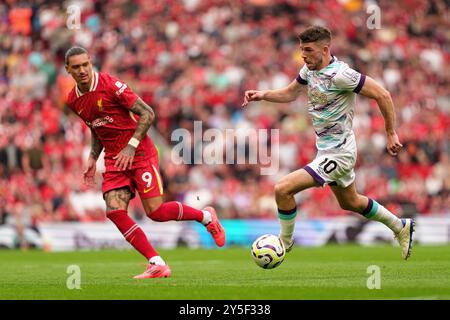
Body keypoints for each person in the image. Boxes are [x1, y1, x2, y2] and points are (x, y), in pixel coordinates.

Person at [242, 26, 414, 260]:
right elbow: (290, 93)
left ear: (325, 49)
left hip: (339, 153)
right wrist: (262, 94)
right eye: (302, 50)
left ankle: (284, 242)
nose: (303, 55)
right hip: (326, 150)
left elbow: (382, 94)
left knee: (282, 189)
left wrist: (391, 133)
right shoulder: (309, 70)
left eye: (308, 50)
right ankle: (399, 226)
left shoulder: (342, 75)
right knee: (350, 202)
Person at [65, 46, 225, 279]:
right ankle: (156, 262)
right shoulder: (73, 100)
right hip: (114, 159)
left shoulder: (110, 85)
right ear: (67, 70)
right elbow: (96, 126)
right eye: (76, 67)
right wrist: (92, 156)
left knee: (156, 212)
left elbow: (148, 113)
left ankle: (206, 217)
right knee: (114, 211)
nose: (82, 70)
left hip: (139, 153)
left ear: (91, 63)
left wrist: (131, 146)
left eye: (85, 64)